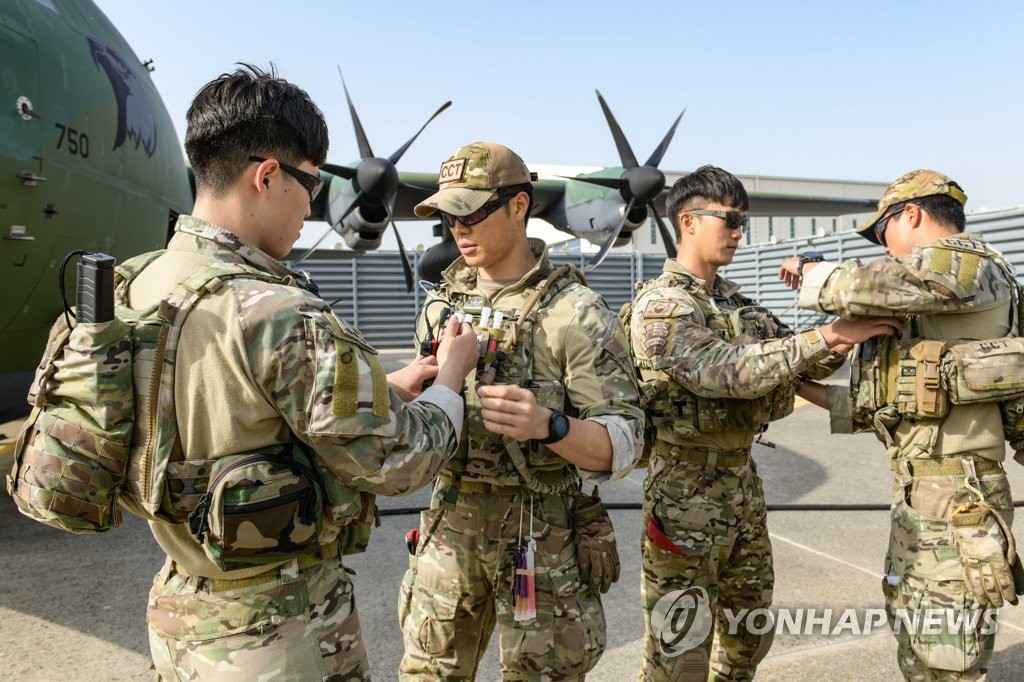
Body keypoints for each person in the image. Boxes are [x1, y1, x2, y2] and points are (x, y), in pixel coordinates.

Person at [127, 65, 479, 680]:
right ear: (268, 176)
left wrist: (385, 391)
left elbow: (210, 419)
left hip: (179, 611)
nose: (312, 205)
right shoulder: (279, 312)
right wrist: (450, 380)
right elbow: (398, 463)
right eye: (311, 185)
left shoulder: (136, 284)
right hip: (277, 630)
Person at [628, 164, 901, 681]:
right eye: (729, 220)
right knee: (679, 645)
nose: (738, 232)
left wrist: (852, 325)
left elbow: (799, 361)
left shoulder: (735, 304)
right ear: (688, 222)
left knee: (747, 632)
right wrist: (829, 336)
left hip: (741, 485)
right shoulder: (663, 305)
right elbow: (723, 372)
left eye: (742, 222)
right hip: (684, 489)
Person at [399, 141, 645, 680]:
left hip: (540, 531)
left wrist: (550, 426)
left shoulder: (574, 314)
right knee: (428, 671)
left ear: (519, 206)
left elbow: (626, 441)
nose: (457, 229)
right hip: (451, 521)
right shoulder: (442, 305)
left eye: (472, 211)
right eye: (447, 215)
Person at [779, 169, 1023, 681]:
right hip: (924, 490)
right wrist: (794, 379)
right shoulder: (938, 302)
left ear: (911, 213)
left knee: (950, 657)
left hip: (958, 497)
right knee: (918, 640)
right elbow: (882, 402)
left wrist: (811, 270)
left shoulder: (964, 262)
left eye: (882, 231)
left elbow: (865, 287)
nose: (883, 248)